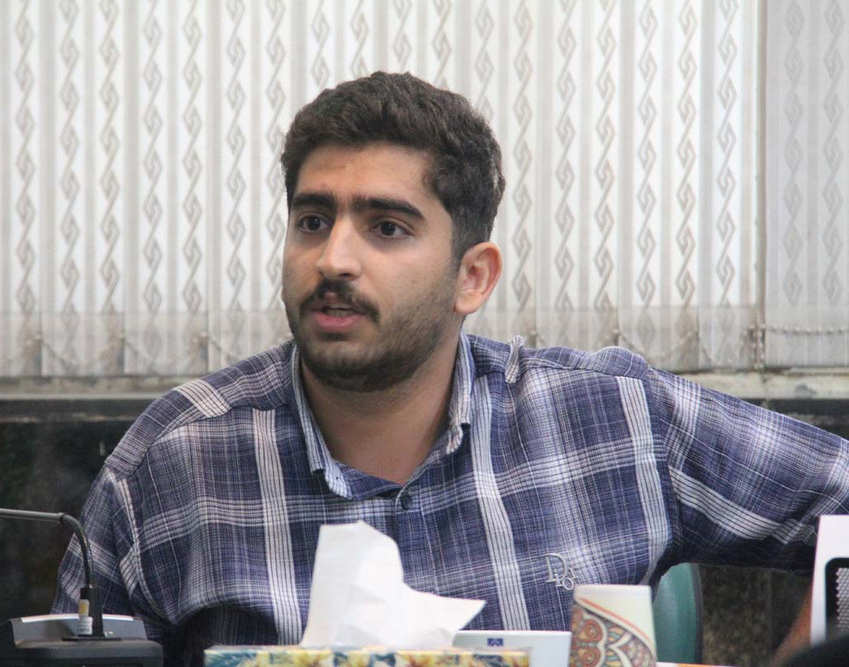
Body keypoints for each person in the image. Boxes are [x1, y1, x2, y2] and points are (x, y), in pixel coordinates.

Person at [53, 72, 849, 666]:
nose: (334, 259)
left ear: (473, 276)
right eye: (313, 219)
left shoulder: (612, 418)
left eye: (387, 227)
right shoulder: (174, 461)